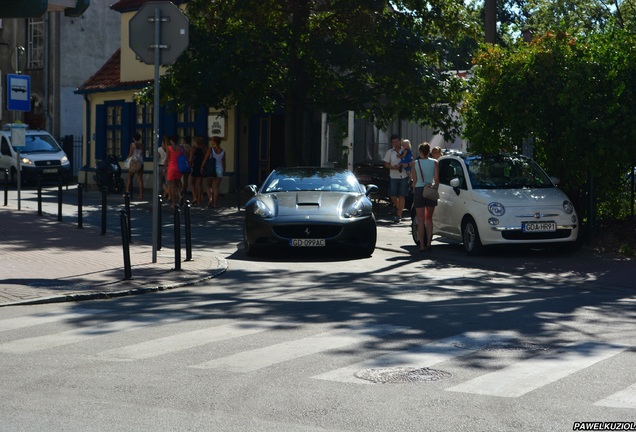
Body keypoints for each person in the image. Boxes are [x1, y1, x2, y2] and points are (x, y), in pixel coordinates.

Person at [412, 142, 439, 252]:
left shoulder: (415, 163)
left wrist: (415, 189)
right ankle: (429, 243)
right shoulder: (435, 163)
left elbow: (414, 180)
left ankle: (422, 245)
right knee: (429, 219)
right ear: (429, 152)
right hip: (430, 190)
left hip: (419, 190)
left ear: (420, 152)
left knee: (420, 219)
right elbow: (437, 180)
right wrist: (433, 187)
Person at [383, 133, 410, 222]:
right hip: (394, 176)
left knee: (402, 195)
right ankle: (399, 208)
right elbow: (386, 164)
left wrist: (407, 165)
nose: (395, 143)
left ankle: (399, 214)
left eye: (397, 141)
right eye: (393, 142)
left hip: (404, 175)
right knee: (393, 195)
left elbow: (411, 161)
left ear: (400, 141)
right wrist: (392, 167)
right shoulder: (390, 152)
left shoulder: (406, 150)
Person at [203, 136, 225, 208]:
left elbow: (206, 159)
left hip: (211, 169)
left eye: (212, 140)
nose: (211, 142)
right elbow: (224, 162)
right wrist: (223, 170)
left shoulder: (211, 149)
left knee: (208, 186)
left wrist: (202, 166)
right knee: (216, 187)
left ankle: (210, 199)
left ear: (214, 141)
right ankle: (215, 204)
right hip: (219, 169)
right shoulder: (222, 151)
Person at [165, 134, 182, 207]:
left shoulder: (169, 148)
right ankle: (180, 196)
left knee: (172, 186)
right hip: (179, 167)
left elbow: (167, 159)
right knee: (178, 184)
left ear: (171, 140)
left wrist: (165, 167)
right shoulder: (180, 148)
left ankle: (174, 203)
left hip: (171, 167)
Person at [126, 132, 144, 200]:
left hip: (134, 162)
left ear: (133, 138)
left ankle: (127, 192)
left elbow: (130, 154)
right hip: (140, 163)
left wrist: (127, 159)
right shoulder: (141, 145)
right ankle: (141, 195)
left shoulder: (132, 145)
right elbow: (142, 154)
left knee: (130, 177)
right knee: (140, 179)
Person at [189, 136, 205, 206]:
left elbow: (190, 159)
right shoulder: (203, 150)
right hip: (201, 166)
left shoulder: (193, 150)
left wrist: (190, 164)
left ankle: (194, 197)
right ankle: (198, 200)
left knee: (192, 182)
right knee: (199, 184)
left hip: (195, 166)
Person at [158, 136, 169, 200]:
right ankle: (167, 193)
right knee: (167, 182)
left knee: (160, 182)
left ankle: (160, 195)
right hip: (167, 166)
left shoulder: (159, 149)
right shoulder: (169, 149)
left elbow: (157, 158)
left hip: (161, 166)